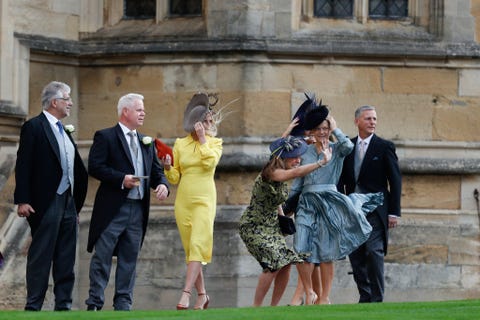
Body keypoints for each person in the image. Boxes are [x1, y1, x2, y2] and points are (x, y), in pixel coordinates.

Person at [286, 97, 383, 305]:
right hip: (307, 202)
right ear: (311, 131)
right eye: (318, 128)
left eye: (325, 127)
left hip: (329, 202)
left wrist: (335, 126)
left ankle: (325, 296)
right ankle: (310, 291)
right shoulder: (305, 152)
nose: (322, 131)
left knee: (326, 252)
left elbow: (348, 145)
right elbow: (298, 181)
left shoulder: (338, 149)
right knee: (301, 248)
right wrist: (289, 205)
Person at [85, 93, 170, 311]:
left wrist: (162, 185)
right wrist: (121, 179)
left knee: (129, 258)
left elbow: (155, 172)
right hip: (113, 208)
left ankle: (123, 305)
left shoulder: (146, 141)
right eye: (139, 110)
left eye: (143, 110)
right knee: (102, 256)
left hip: (138, 209)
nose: (144, 113)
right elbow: (95, 166)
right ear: (125, 112)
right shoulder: (105, 136)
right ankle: (94, 303)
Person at [14, 81, 88, 311]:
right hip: (45, 201)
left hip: (68, 201)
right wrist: (23, 199)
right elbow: (24, 164)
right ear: (54, 102)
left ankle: (63, 305)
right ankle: (33, 305)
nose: (71, 103)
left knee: (66, 256)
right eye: (67, 99)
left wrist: (75, 206)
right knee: (41, 255)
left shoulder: (64, 130)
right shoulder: (34, 127)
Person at [239, 135, 332, 307]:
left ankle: (274, 308)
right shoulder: (272, 172)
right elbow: (295, 172)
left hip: (272, 226)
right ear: (282, 158)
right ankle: (256, 308)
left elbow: (276, 200)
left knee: (286, 263)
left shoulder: (279, 170)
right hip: (254, 226)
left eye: (299, 156)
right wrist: (321, 162)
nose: (298, 160)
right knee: (273, 262)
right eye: (294, 157)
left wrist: (305, 141)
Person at [163, 92, 223, 310]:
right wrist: (168, 167)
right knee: (191, 250)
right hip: (184, 201)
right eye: (204, 121)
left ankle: (185, 294)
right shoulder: (181, 144)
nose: (207, 125)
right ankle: (203, 295)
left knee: (198, 245)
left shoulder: (215, 143)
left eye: (209, 121)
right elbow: (175, 178)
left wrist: (204, 140)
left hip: (205, 200)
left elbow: (210, 164)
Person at [338, 105, 402, 303]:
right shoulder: (347, 146)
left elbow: (396, 180)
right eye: (368, 119)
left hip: (376, 209)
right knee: (356, 255)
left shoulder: (385, 147)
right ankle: (365, 297)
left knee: (374, 252)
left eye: (374, 118)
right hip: (352, 211)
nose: (372, 122)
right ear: (357, 121)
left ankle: (377, 297)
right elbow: (340, 180)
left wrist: (394, 212)